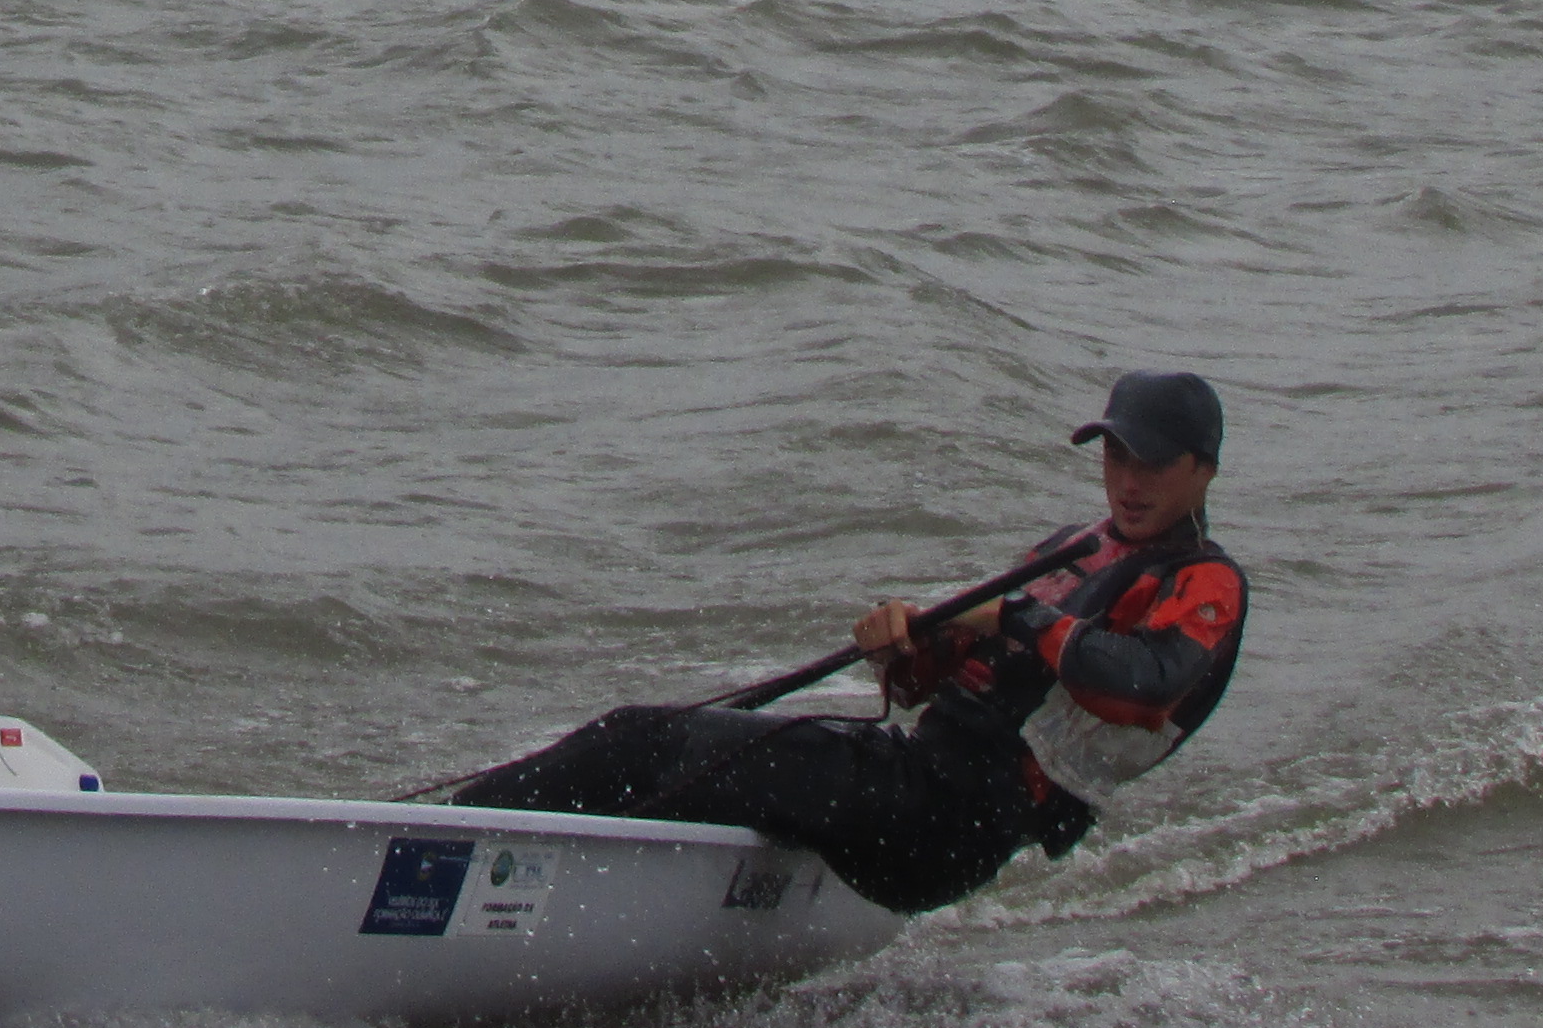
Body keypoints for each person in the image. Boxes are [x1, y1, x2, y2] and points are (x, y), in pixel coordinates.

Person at [449, 370, 1247, 914]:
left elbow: (1144, 683)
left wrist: (1006, 616)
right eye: (1115, 455)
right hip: (917, 783)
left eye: (1151, 463)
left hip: (955, 821)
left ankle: (441, 844)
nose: (1128, 481)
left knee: (642, 740)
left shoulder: (1205, 581)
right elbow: (958, 679)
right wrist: (909, 654)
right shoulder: (1075, 547)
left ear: (1203, 470)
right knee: (678, 763)